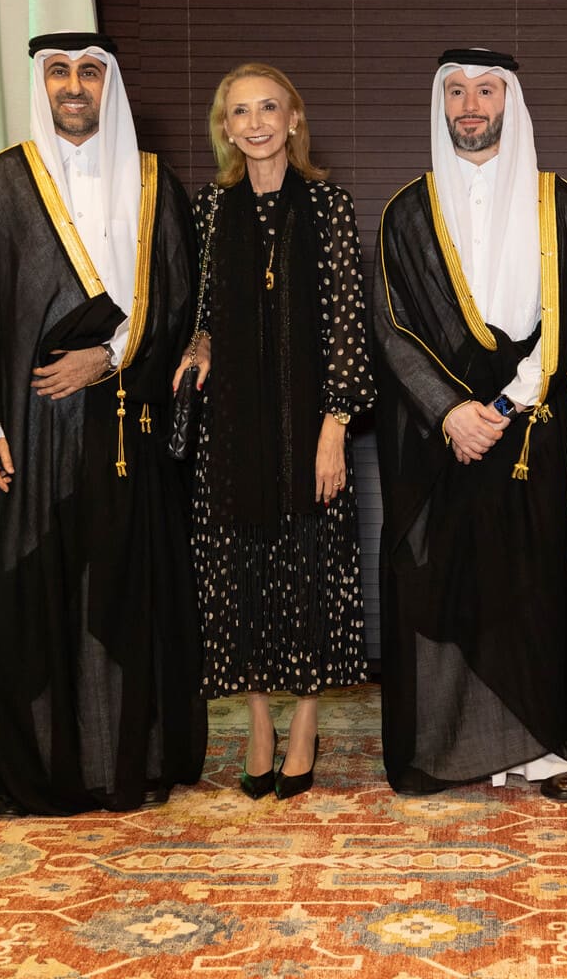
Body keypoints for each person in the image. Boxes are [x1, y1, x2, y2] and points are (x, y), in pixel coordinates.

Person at [0, 32, 205, 816]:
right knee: (34, 589)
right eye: (59, 71)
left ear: (108, 84)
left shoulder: (154, 183)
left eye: (89, 71)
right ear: (42, 83)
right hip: (31, 426)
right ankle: (46, 767)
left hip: (126, 424)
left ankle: (123, 762)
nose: (74, 85)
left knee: (122, 591)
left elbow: (180, 302)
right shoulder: (1, 182)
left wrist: (109, 356)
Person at [371, 47, 567, 801]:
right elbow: (391, 328)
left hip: (526, 427)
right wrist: (450, 412)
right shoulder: (407, 211)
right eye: (457, 92)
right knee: (444, 583)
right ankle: (450, 743)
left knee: (528, 580)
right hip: (438, 435)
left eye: (487, 90)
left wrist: (501, 408)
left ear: (512, 102)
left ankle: (540, 747)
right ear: (440, 104)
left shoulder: (560, 204)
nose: (471, 105)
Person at [172, 64, 376, 801]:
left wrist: (335, 426)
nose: (255, 123)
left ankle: (306, 723)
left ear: (293, 119)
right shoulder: (209, 209)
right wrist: (198, 349)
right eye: (240, 112)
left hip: (308, 423)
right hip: (230, 431)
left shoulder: (327, 204)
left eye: (268, 108)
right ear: (225, 129)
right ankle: (258, 722)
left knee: (311, 569)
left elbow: (349, 323)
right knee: (238, 575)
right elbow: (202, 312)